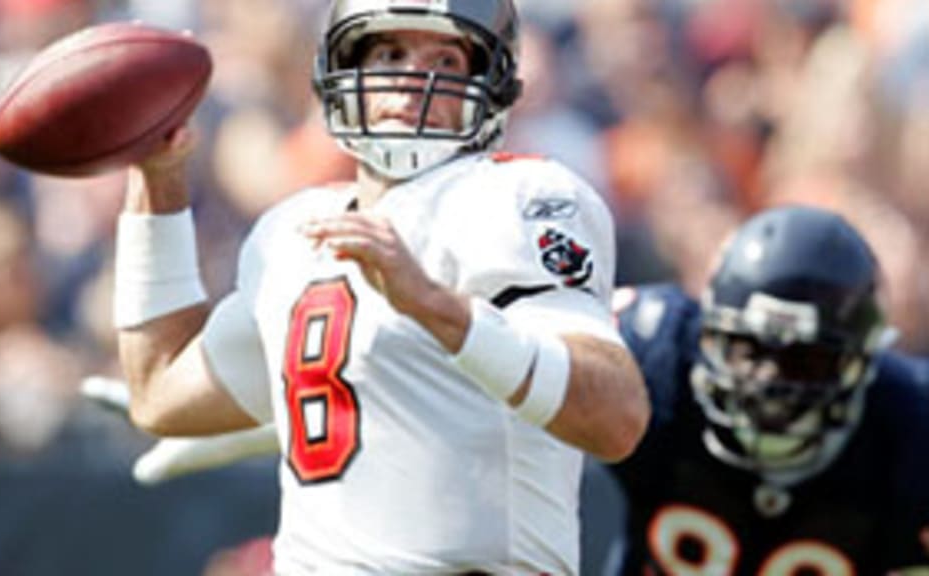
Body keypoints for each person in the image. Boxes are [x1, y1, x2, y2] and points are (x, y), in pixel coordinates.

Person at [112, 0, 649, 573]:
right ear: (343, 73)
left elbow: (615, 417)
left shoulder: (516, 197)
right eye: (390, 53)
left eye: (444, 59)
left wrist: (438, 309)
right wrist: (158, 179)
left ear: (491, 83)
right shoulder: (292, 233)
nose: (413, 79)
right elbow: (161, 389)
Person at [607, 205, 929, 575]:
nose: (770, 382)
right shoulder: (657, 356)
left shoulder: (911, 425)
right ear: (709, 333)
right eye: (750, 348)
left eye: (805, 360)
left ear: (862, 360)